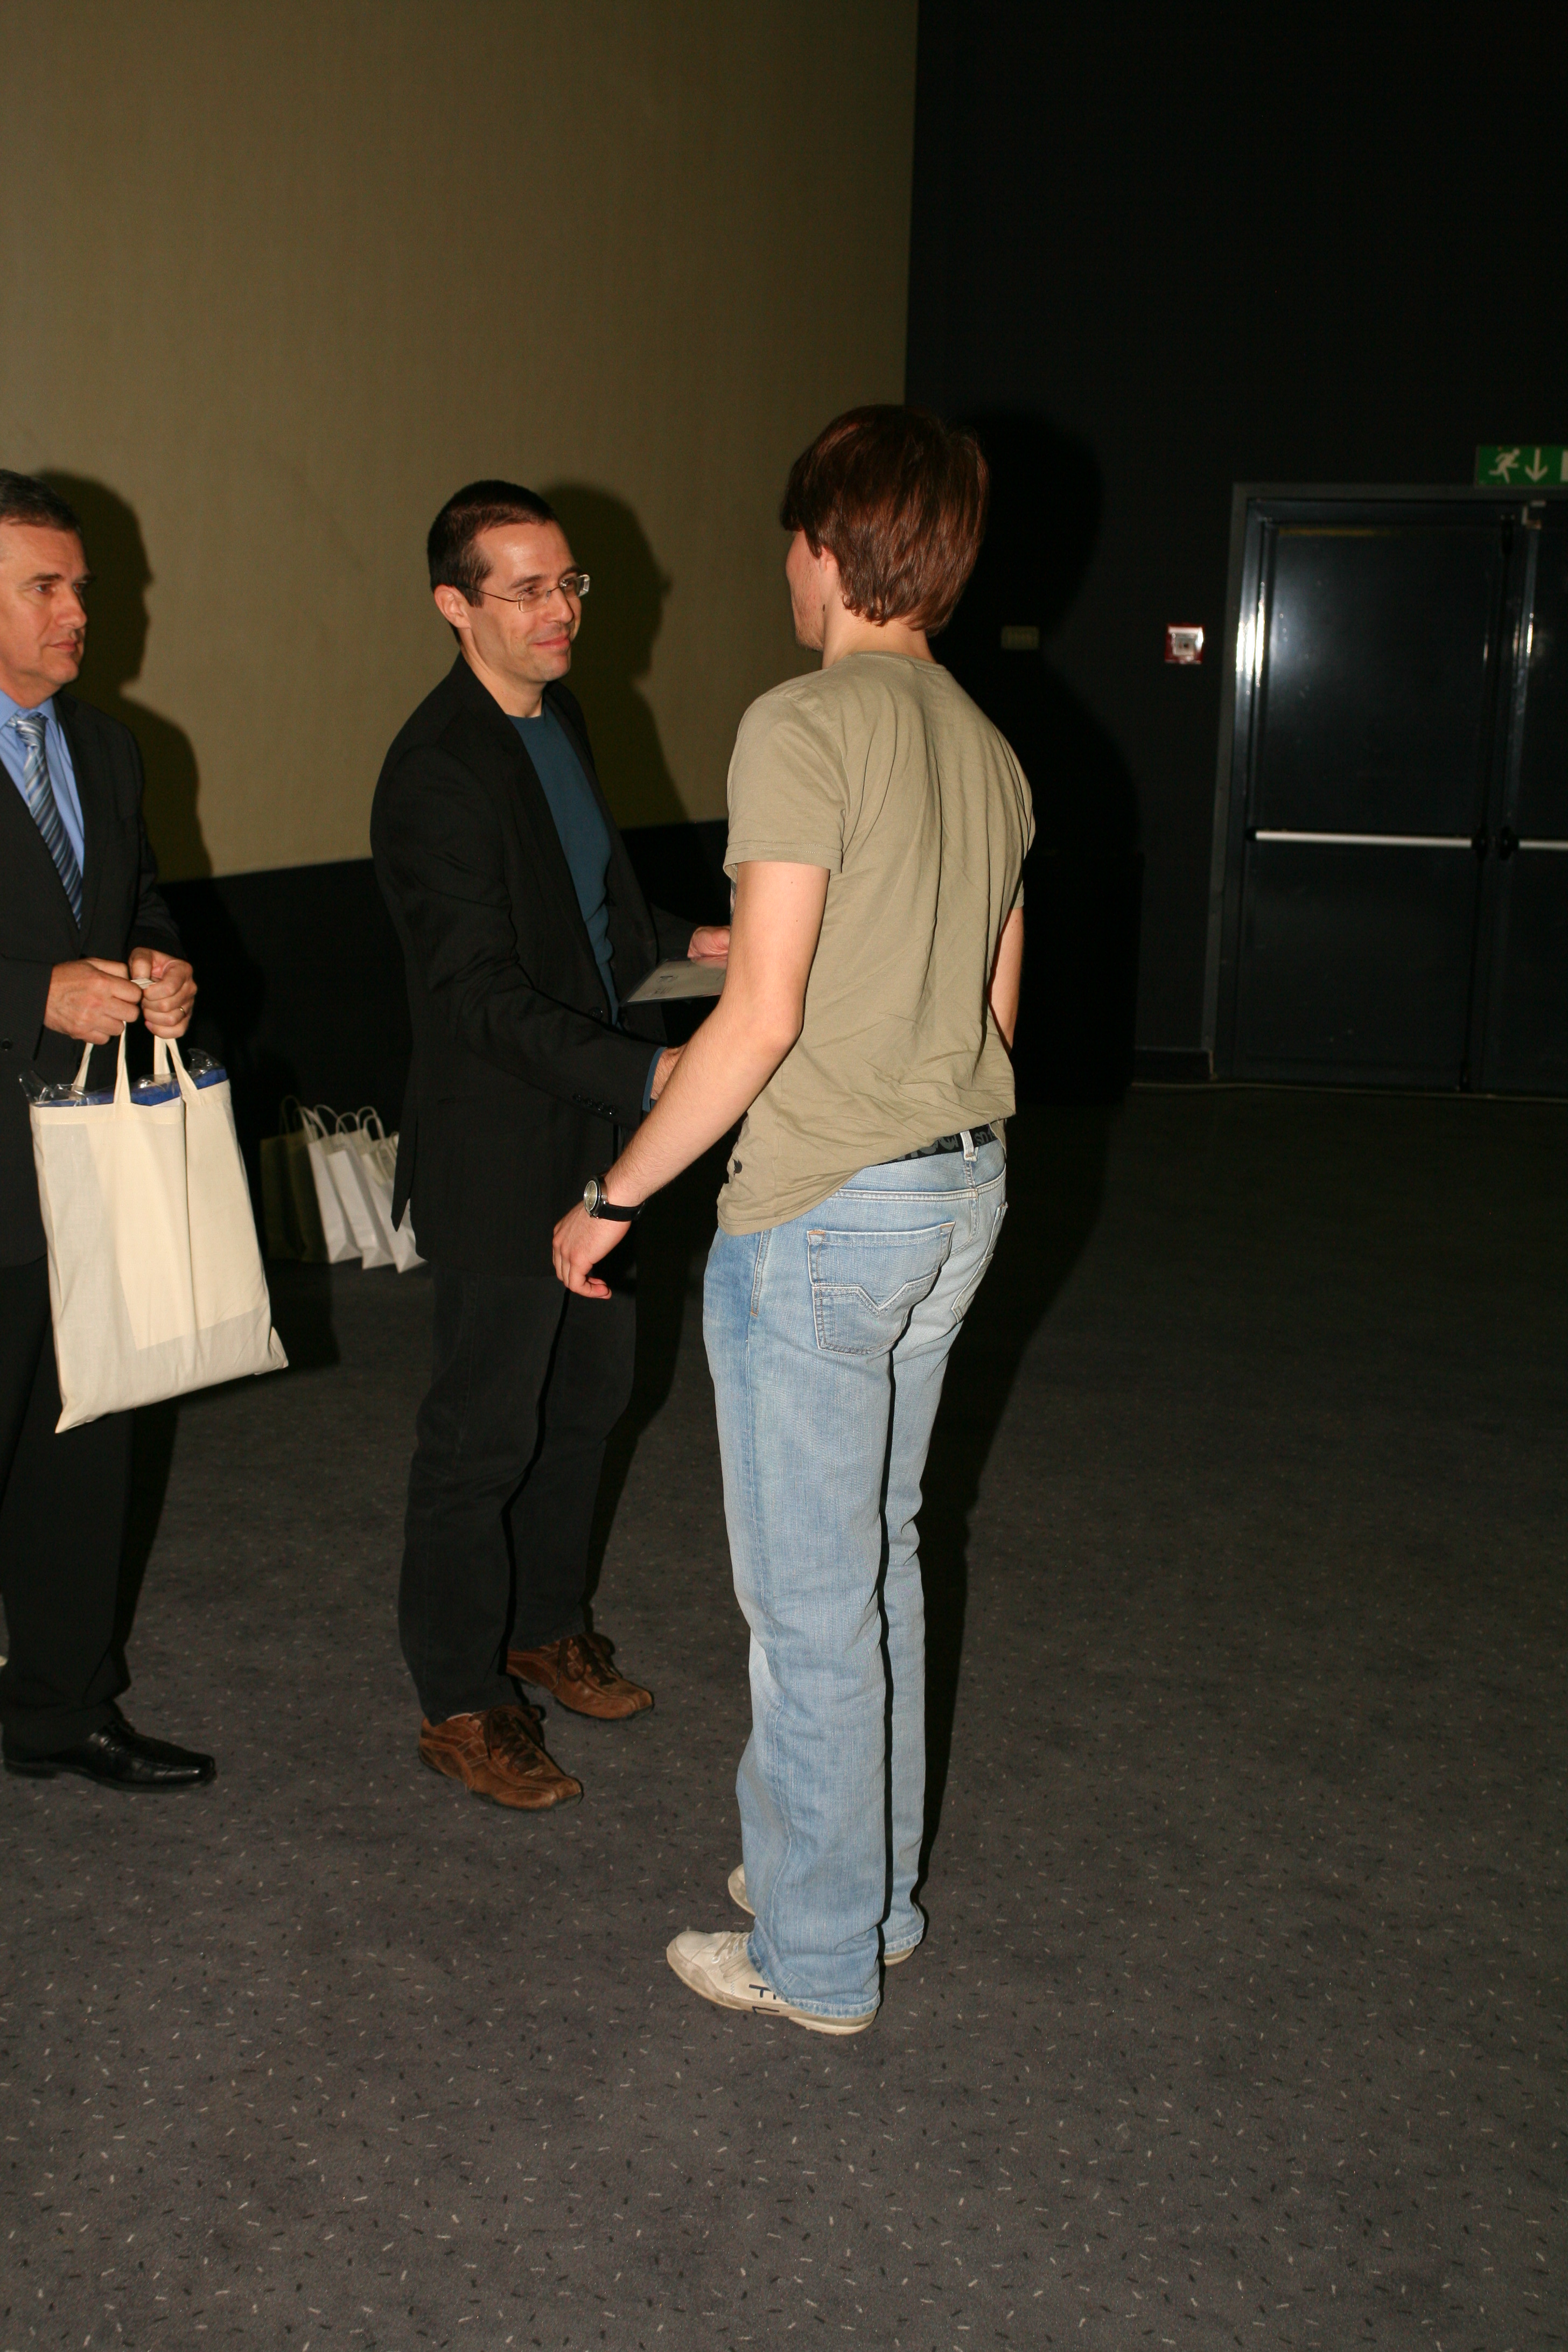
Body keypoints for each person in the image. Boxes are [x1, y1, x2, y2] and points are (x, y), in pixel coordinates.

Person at [554, 407, 1033, 2031]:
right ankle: (858, 1890)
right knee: (877, 1564)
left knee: (809, 1608)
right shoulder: (987, 746)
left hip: (826, 1211)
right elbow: (993, 1014)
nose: (787, 567)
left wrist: (613, 1195)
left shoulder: (804, 723)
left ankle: (817, 1959)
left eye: (793, 540)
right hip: (958, 1189)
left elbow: (757, 1019)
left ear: (830, 547)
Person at [372, 481, 727, 1811]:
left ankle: (543, 1628)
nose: (559, 609)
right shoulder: (436, 771)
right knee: (482, 1436)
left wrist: (699, 947)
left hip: (598, 1138)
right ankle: (460, 1702)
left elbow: (597, 921)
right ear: (452, 605)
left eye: (568, 582)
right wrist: (656, 1070)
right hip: (499, 1156)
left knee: (586, 1403)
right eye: (524, 589)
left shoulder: (560, 717)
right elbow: (477, 996)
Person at [0, 471, 211, 1790]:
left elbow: (140, 905)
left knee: (82, 1456)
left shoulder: (111, 749)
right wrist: (31, 994)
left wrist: (160, 965)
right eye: (46, 586)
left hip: (93, 1163)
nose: (81, 611)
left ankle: (62, 1708)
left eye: (81, 585)